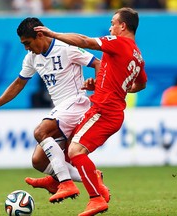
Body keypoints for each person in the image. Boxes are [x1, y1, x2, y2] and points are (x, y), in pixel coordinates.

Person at [0, 17, 109, 204]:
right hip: (61, 110)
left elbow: (98, 62)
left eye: (27, 43)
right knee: (38, 161)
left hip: (76, 103)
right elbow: (18, 83)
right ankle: (94, 178)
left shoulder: (66, 47)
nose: (26, 48)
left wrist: (98, 87)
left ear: (39, 35)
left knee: (40, 131)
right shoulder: (32, 57)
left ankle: (65, 183)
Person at [35, 7, 147, 215]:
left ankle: (96, 197)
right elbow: (140, 84)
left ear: (123, 26)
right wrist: (106, 86)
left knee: (75, 151)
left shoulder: (118, 42)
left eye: (113, 23)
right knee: (69, 144)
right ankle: (58, 181)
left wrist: (53, 34)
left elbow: (84, 41)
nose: (110, 27)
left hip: (104, 111)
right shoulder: (137, 56)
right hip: (107, 108)